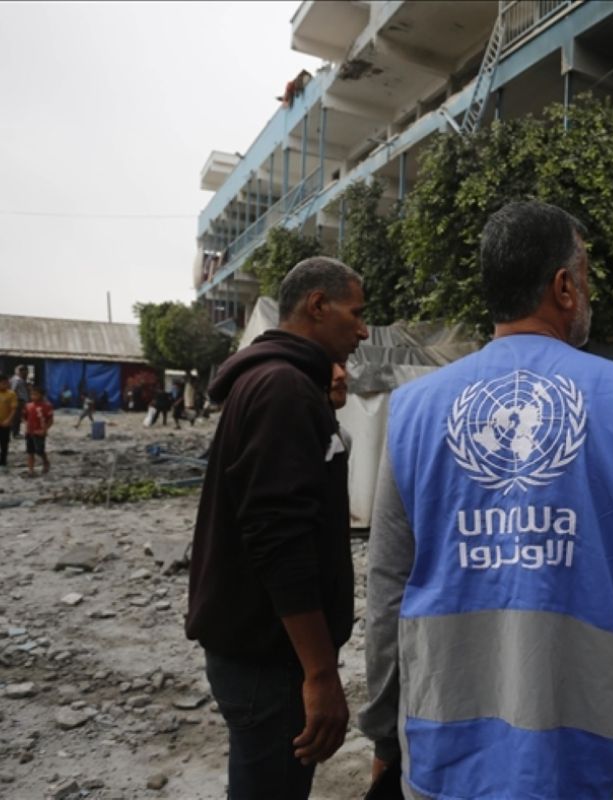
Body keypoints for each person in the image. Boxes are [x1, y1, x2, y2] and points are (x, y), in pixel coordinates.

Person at [360, 200, 613, 800]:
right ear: (563, 288)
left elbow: (386, 594)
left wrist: (385, 734)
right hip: (600, 760)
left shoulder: (413, 411)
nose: (590, 293)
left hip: (445, 748)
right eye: (588, 278)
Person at [185, 256, 368, 800]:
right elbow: (278, 538)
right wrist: (318, 672)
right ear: (317, 305)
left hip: (262, 651)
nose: (362, 330)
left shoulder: (278, 382)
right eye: (356, 314)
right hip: (269, 659)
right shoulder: (282, 388)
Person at [23, 385, 54, 476]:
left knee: (40, 450)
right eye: (32, 394)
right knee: (30, 451)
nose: (33, 396)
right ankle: (31, 470)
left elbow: (50, 420)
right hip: (29, 432)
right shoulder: (28, 406)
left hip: (40, 432)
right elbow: (24, 417)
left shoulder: (47, 406)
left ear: (41, 395)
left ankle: (45, 461)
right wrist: (26, 426)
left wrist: (45, 429)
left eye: (35, 394)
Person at [0, 376, 16, 467]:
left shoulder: (11, 394)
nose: (5, 384)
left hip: (6, 423)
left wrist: (8, 420)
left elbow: (13, 409)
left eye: (6, 383)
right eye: (2, 383)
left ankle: (3, 460)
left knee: (4, 442)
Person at [11, 365, 30, 439]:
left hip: (21, 401)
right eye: (25, 372)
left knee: (18, 417)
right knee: (17, 418)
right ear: (20, 371)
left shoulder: (20, 379)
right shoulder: (17, 380)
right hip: (18, 401)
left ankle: (16, 432)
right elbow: (13, 390)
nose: (26, 373)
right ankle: (15, 433)